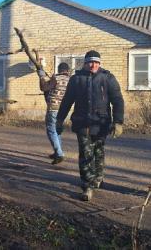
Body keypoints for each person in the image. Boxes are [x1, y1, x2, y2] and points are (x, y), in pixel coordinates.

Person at [56, 50, 124, 201]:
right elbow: (67, 101)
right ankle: (87, 185)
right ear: (84, 63)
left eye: (96, 62)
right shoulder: (76, 79)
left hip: (101, 123)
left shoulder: (108, 78)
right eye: (89, 62)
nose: (93, 65)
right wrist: (59, 120)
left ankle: (98, 177)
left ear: (99, 63)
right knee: (86, 153)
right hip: (82, 123)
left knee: (98, 152)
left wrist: (118, 122)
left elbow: (118, 100)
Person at [39, 62, 71, 165]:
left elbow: (44, 87)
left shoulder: (56, 78)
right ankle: (57, 152)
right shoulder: (70, 80)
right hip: (63, 110)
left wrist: (41, 76)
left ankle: (59, 153)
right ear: (68, 70)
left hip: (53, 108)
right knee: (57, 130)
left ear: (59, 69)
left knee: (51, 131)